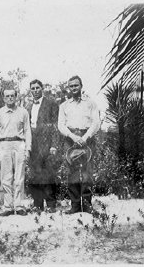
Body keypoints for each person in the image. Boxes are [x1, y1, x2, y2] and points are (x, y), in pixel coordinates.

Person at [58, 75, 100, 214]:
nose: (74, 88)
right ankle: (75, 205)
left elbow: (96, 123)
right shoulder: (64, 106)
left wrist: (86, 137)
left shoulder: (90, 103)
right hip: (70, 139)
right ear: (68, 88)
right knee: (72, 173)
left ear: (81, 86)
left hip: (87, 138)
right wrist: (72, 136)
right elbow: (61, 125)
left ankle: (87, 205)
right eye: (71, 86)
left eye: (76, 85)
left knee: (88, 172)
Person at [0, 86, 32, 216]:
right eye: (7, 96)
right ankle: (8, 206)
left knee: (19, 176)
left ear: (16, 97)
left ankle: (18, 205)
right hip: (3, 144)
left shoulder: (23, 112)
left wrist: (28, 149)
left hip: (19, 144)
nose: (10, 98)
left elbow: (27, 131)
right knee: (6, 177)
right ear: (3, 98)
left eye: (12, 96)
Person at [25, 79, 61, 212]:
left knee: (48, 174)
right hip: (33, 145)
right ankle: (37, 204)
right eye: (32, 88)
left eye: (37, 88)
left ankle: (51, 204)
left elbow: (56, 125)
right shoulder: (28, 107)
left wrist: (54, 145)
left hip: (47, 145)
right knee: (35, 175)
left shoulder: (51, 104)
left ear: (42, 88)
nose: (35, 90)